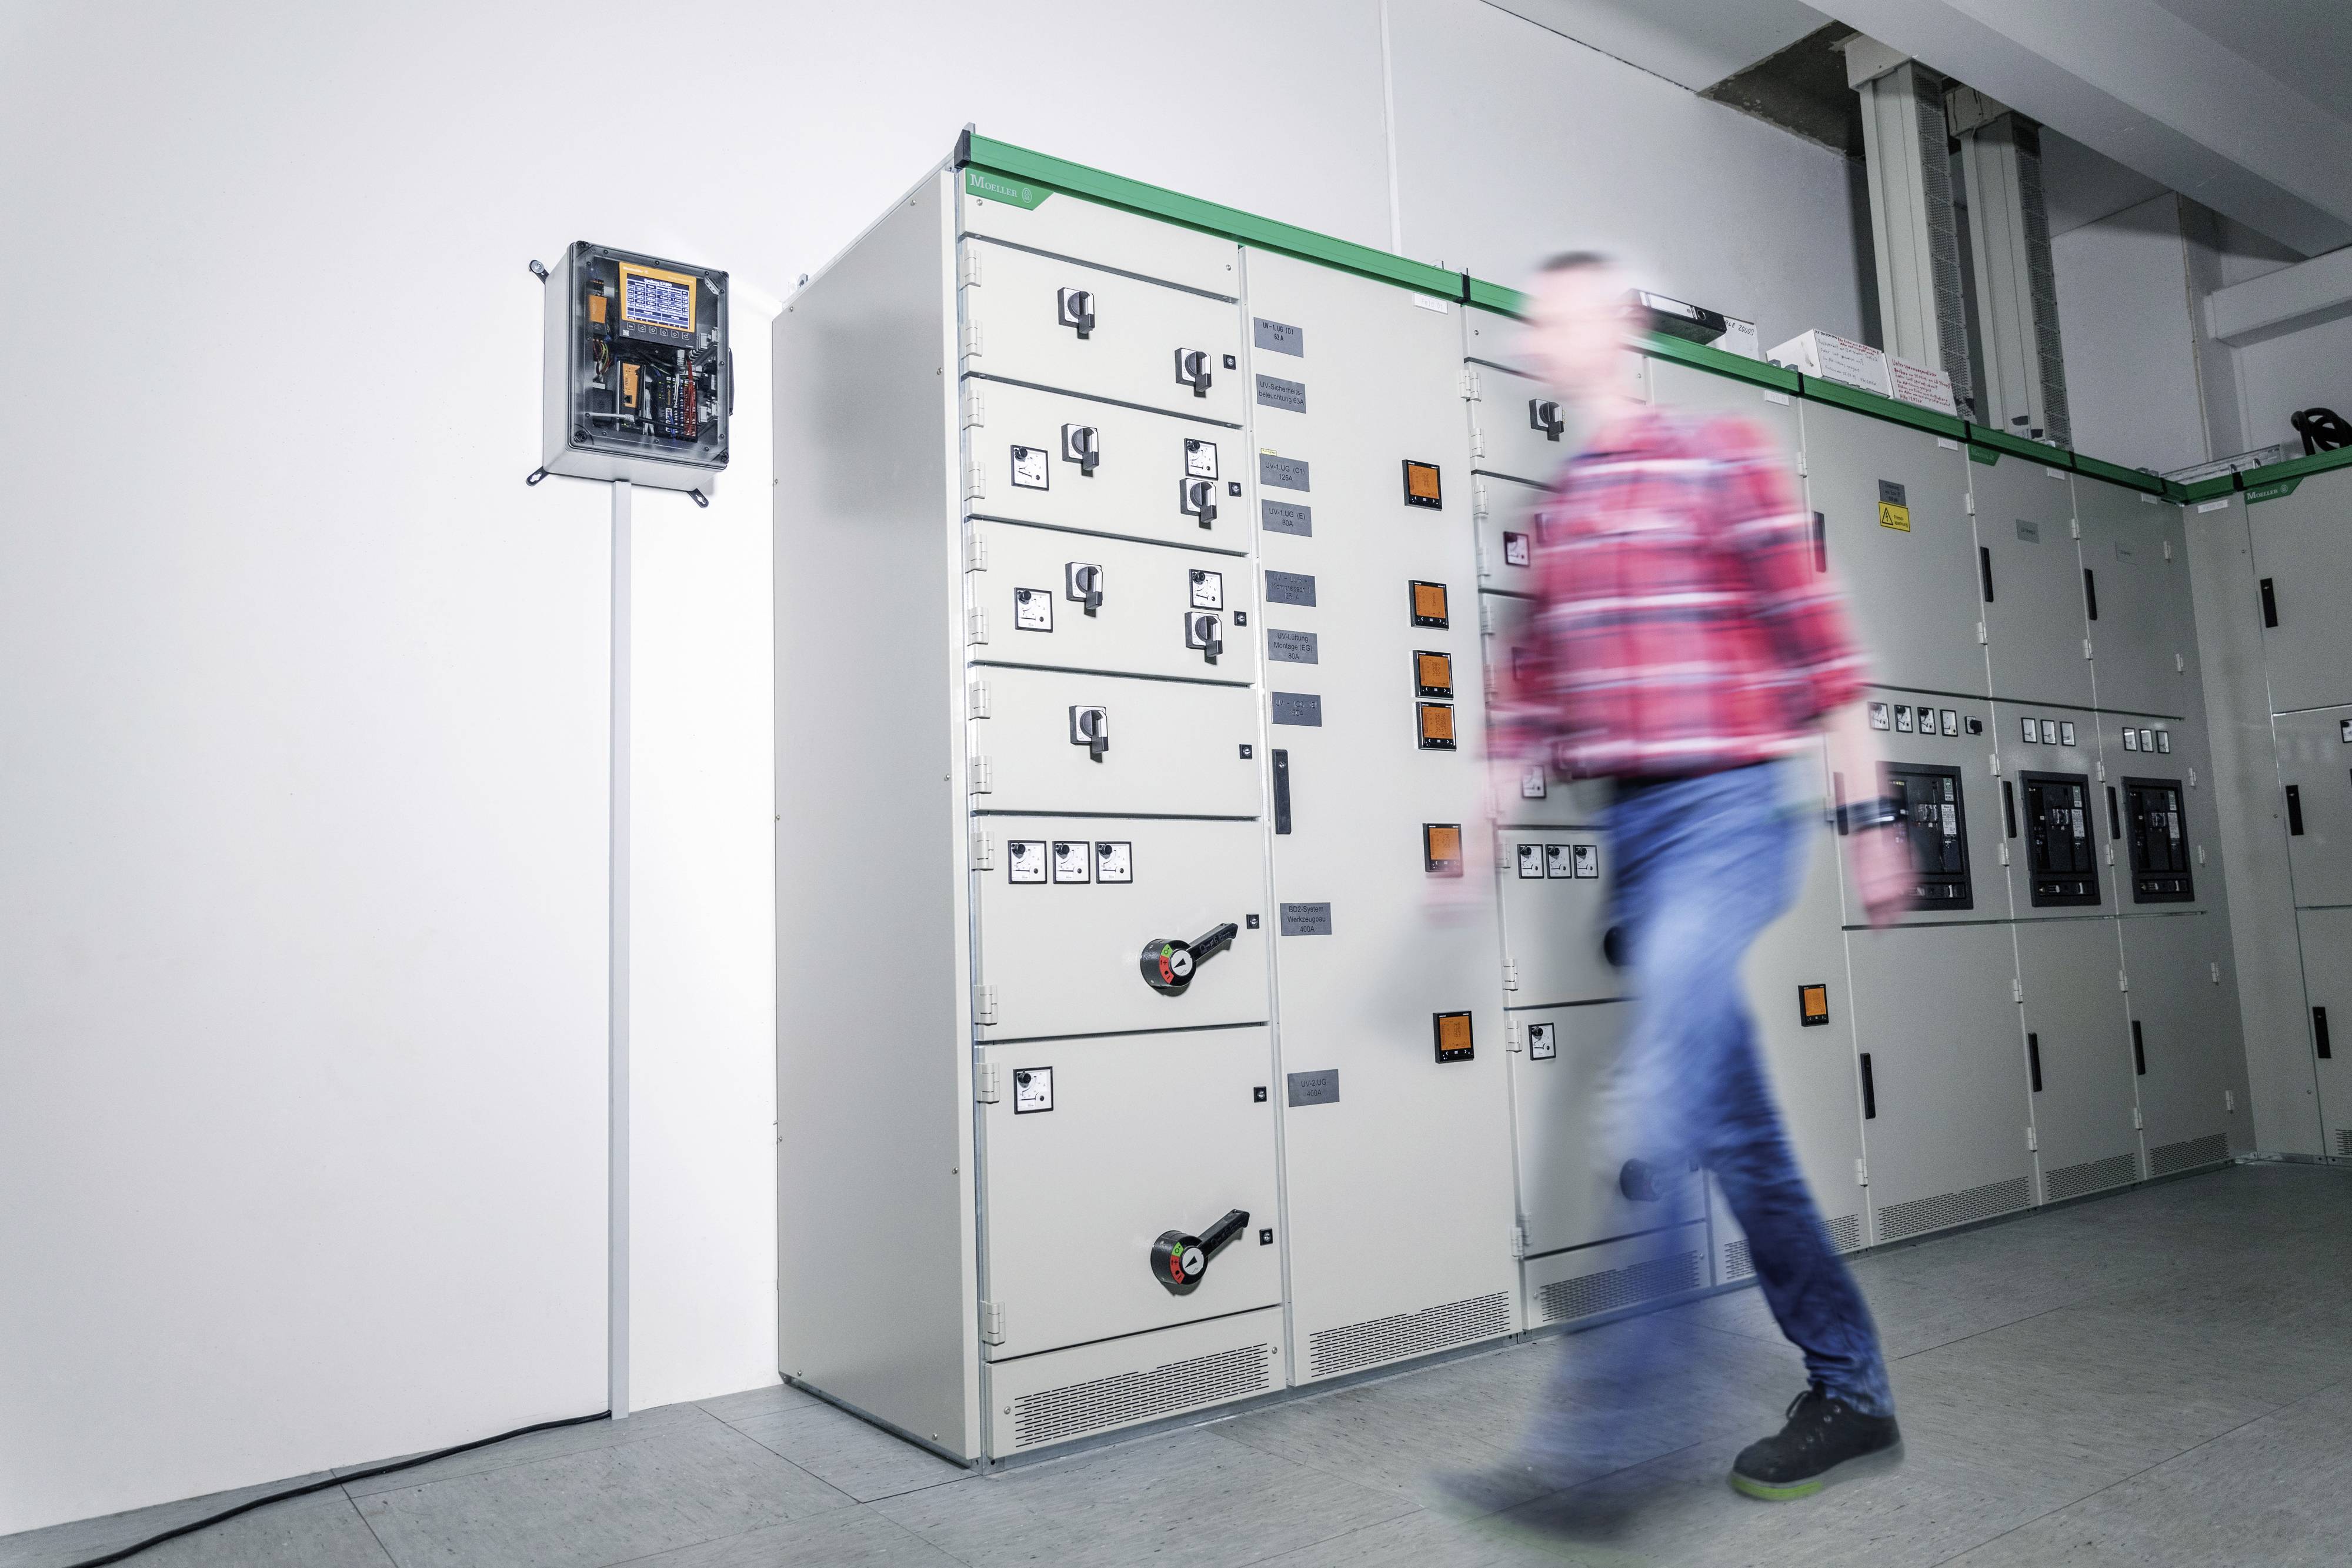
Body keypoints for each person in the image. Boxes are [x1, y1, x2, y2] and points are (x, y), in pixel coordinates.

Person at [1489, 252, 1916, 1504]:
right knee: (1734, 1133)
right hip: (1637, 837)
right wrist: (1486, 788)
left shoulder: (1718, 454)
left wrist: (1870, 814)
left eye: (1551, 317)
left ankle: (1601, 1454)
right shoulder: (1565, 508)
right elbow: (1531, 689)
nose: (1533, 344)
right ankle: (1850, 1389)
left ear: (1615, 325)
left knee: (1658, 1105)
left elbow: (1820, 647)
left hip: (1728, 810)